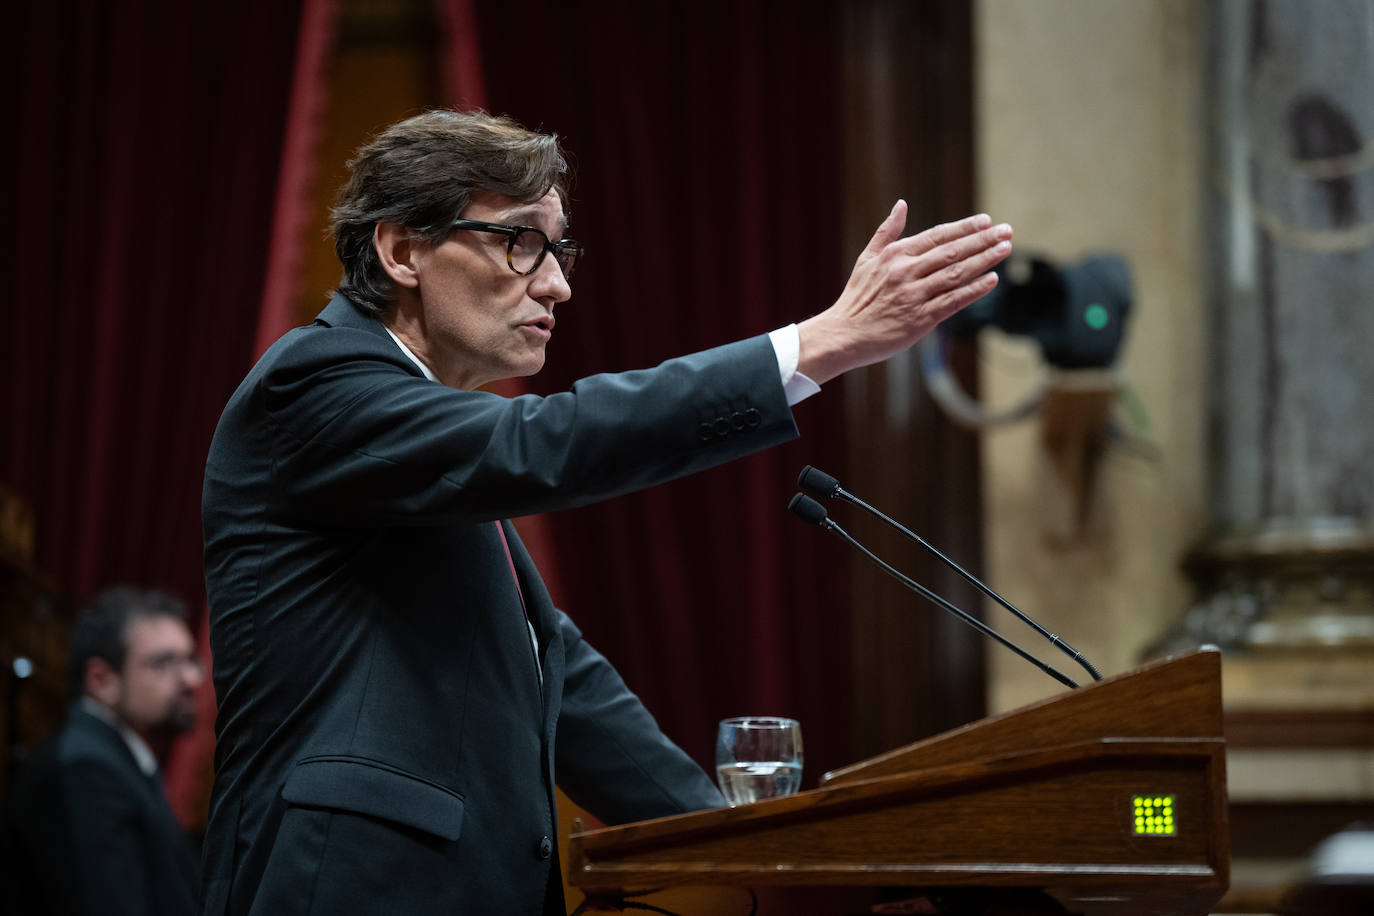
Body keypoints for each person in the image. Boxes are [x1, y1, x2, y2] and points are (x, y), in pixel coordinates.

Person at [200, 109, 1012, 916]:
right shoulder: (312, 385)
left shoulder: (425, 449)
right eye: (521, 241)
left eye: (560, 250)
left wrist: (755, 859)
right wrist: (819, 345)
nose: (557, 283)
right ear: (403, 248)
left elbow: (570, 691)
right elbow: (545, 440)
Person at [4, 587, 203, 915]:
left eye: (191, 661)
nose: (192, 679)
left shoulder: (114, 758)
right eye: (165, 662)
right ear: (101, 680)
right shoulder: (84, 770)